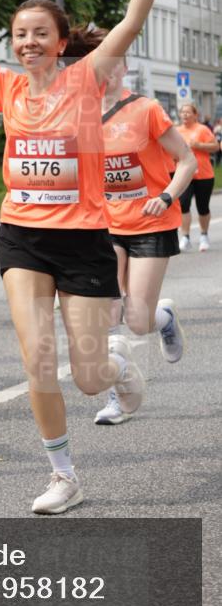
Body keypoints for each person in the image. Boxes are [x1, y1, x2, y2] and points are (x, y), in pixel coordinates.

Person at [0, 0, 182, 514]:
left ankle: (121, 373)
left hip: (84, 240)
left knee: (89, 374)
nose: (29, 43)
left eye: (41, 33)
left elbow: (131, 21)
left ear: (62, 41)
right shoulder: (4, 85)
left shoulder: (86, 79)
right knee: (37, 355)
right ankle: (63, 474)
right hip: (22, 237)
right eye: (20, 35)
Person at [90, 59, 197, 424]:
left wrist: (166, 196)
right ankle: (116, 397)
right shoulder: (79, 116)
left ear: (123, 68)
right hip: (106, 225)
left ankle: (163, 318)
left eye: (110, 64)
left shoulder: (146, 109)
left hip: (151, 222)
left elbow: (186, 160)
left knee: (137, 320)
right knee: (107, 314)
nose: (103, 73)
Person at [175, 102, 217, 251]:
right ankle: (185, 237)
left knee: (202, 207)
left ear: (195, 115)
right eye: (182, 112)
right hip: (184, 174)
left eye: (188, 112)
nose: (185, 115)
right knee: (184, 204)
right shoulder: (176, 131)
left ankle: (204, 235)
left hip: (204, 174)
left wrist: (199, 145)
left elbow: (216, 147)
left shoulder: (202, 129)